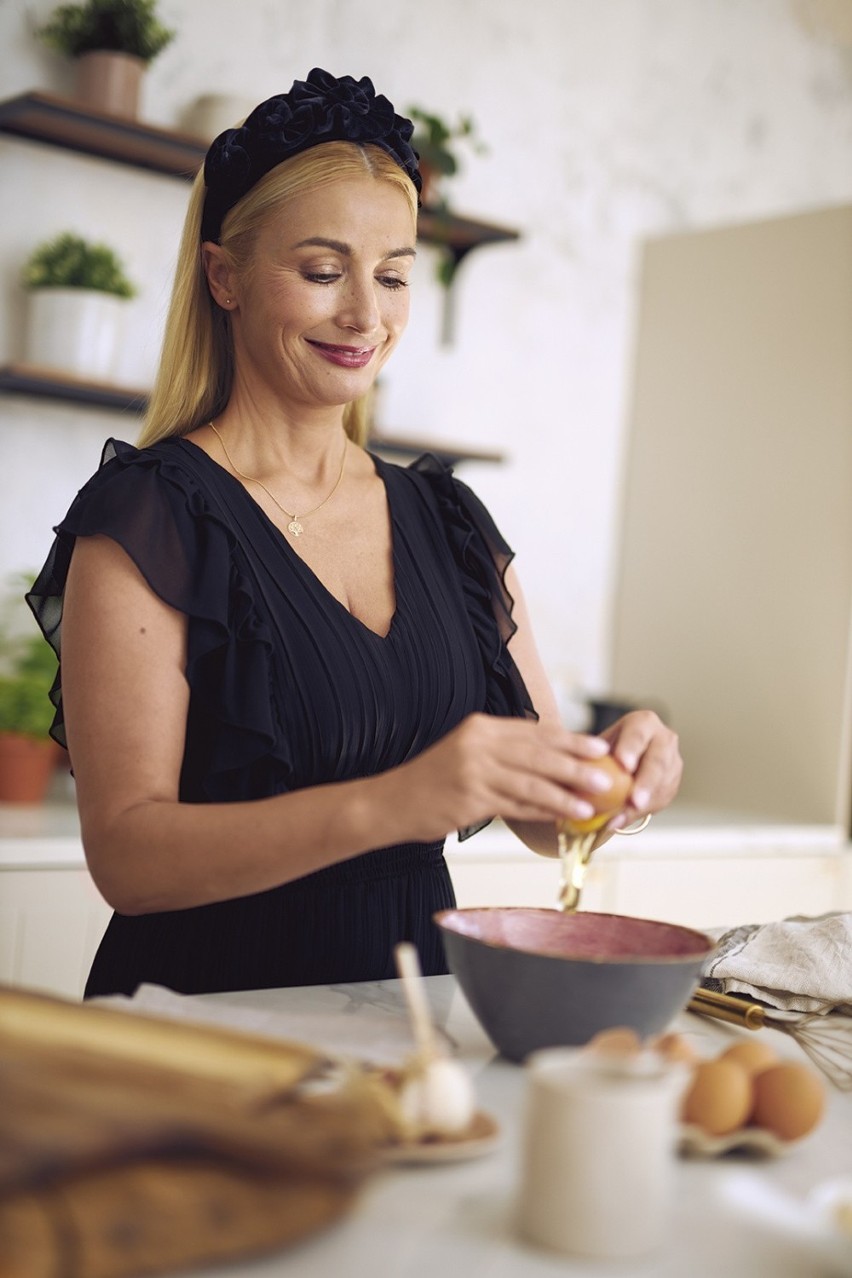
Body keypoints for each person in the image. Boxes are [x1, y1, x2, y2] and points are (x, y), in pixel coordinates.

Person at [27, 69, 682, 999]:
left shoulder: (449, 524)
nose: (366, 317)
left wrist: (620, 772)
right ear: (225, 276)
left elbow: (543, 814)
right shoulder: (154, 515)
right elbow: (129, 858)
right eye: (324, 272)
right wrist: (403, 799)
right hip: (205, 1023)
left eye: (393, 277)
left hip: (410, 1021)